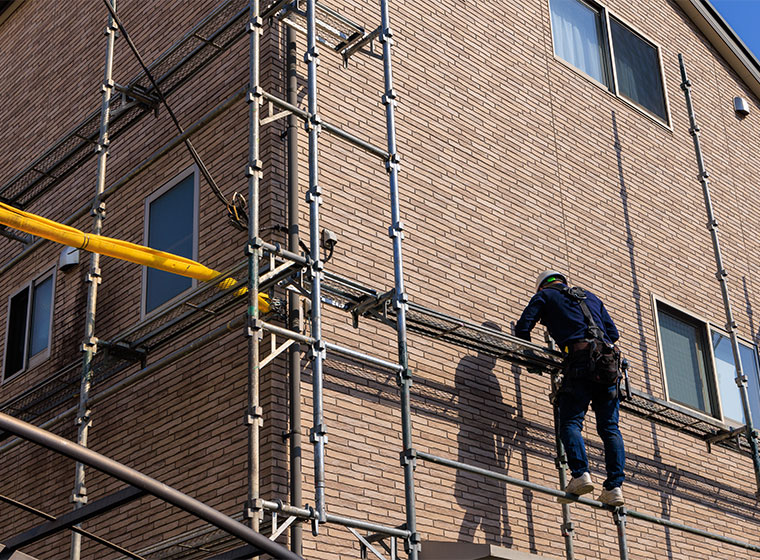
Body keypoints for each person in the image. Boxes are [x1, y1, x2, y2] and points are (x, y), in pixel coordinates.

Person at [514, 270, 625, 507]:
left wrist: (530, 357)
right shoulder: (591, 297)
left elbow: (523, 328)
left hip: (580, 363)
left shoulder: (544, 296)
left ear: (542, 286)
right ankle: (614, 487)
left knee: (571, 423)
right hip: (608, 366)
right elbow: (613, 334)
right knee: (609, 428)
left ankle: (580, 474)